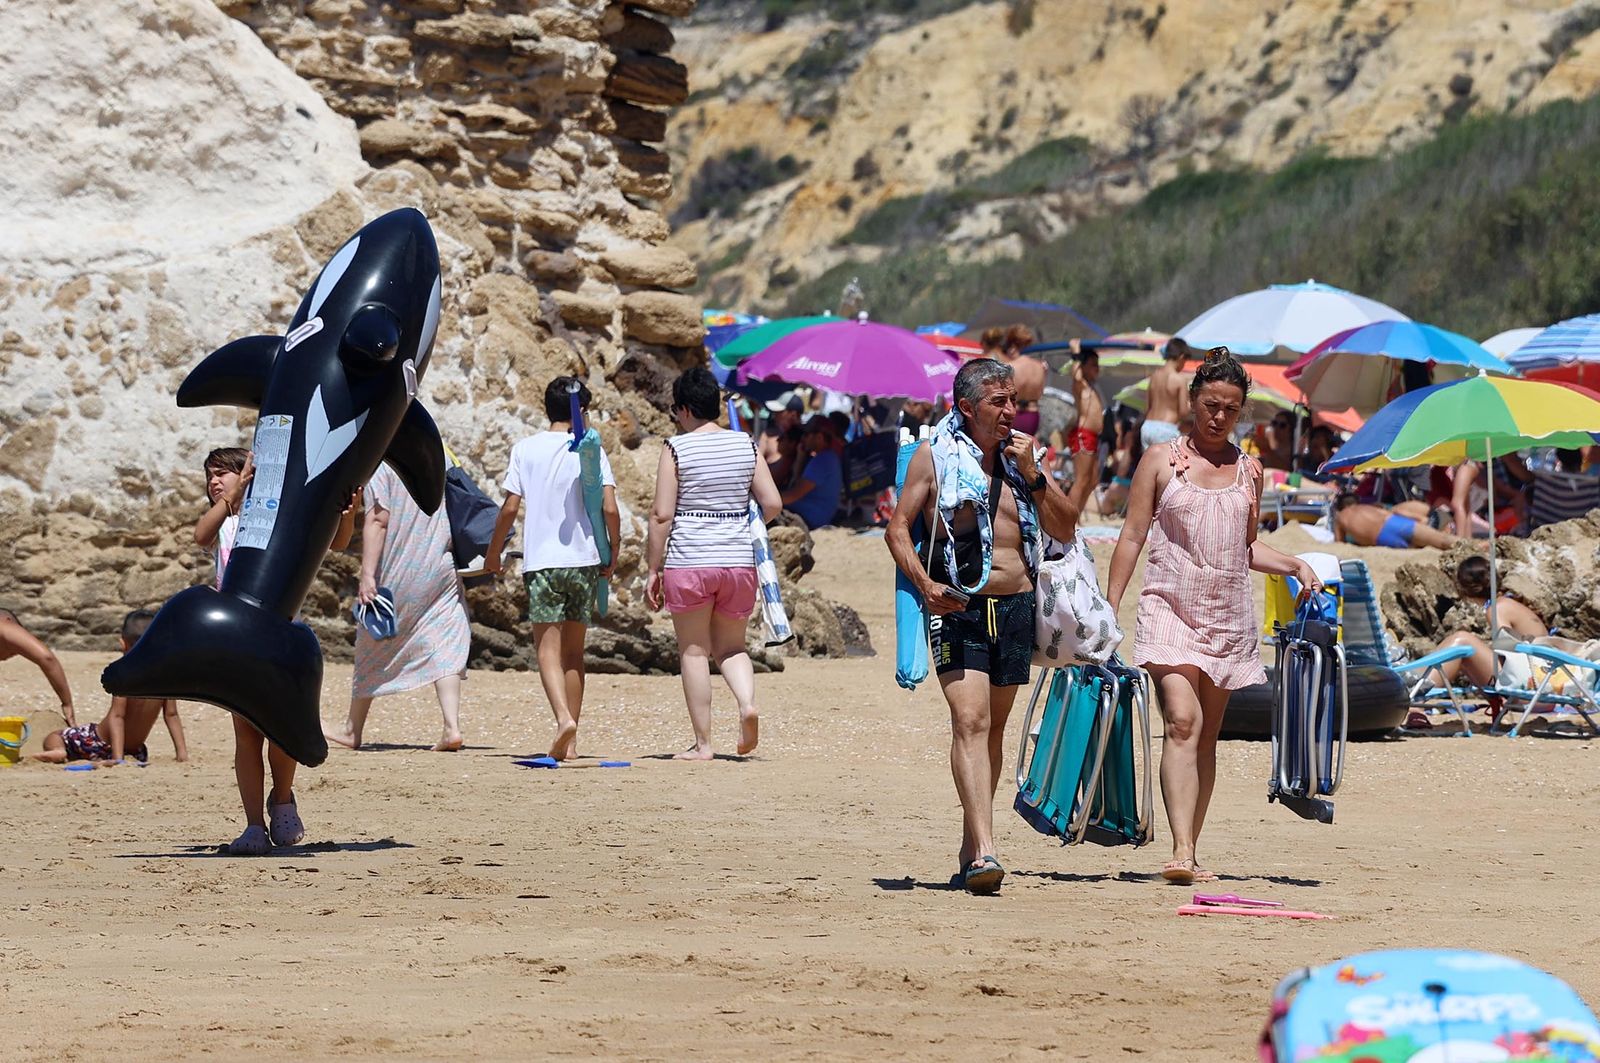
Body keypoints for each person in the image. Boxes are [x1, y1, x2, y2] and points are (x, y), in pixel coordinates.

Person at [1107, 348, 1325, 886]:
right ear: (1193, 400)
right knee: (1183, 722)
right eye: (1211, 404)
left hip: (1226, 614)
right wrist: (1107, 607)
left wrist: (1293, 563)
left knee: (1206, 738)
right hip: (1168, 608)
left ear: (1240, 411)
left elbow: (1244, 548)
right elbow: (1133, 535)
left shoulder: (1250, 471)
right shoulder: (1160, 461)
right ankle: (1179, 851)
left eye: (1230, 408)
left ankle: (1192, 846)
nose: (1219, 416)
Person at [886, 358, 1082, 895]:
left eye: (1013, 400)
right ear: (967, 407)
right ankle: (988, 853)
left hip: (1017, 608)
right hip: (959, 607)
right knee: (969, 722)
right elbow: (898, 529)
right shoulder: (935, 456)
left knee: (993, 731)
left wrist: (1035, 476)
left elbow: (1066, 527)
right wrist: (926, 587)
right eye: (999, 402)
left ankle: (972, 843)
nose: (1011, 411)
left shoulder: (1025, 459)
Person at [195, 445, 357, 855]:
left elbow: (337, 543)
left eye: (223, 473)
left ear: (247, 473)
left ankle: (282, 798)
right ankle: (252, 824)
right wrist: (233, 495)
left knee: (281, 731)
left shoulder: (279, 516)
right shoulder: (228, 523)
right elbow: (200, 536)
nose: (214, 481)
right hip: (235, 642)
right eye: (210, 475)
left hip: (281, 637)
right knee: (246, 734)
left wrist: (348, 512)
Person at [645, 366, 782, 760]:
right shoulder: (745, 444)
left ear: (685, 409)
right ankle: (746, 703)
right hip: (738, 561)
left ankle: (704, 744)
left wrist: (653, 569)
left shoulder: (676, 448)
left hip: (690, 559)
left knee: (693, 651)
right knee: (732, 646)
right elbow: (772, 503)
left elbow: (661, 515)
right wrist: (746, 522)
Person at [484, 377, 621, 762]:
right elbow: (609, 509)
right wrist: (613, 550)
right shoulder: (591, 449)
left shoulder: (525, 449)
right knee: (574, 654)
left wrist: (494, 554)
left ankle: (563, 720)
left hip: (543, 563)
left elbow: (509, 509)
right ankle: (572, 743)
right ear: (584, 412)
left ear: (548, 409)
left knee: (548, 650)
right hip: (584, 562)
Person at [325, 458, 472, 754]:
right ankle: (451, 726)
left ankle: (352, 729)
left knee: (373, 639)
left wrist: (367, 574)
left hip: (400, 565)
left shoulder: (383, 463)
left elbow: (379, 519)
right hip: (440, 561)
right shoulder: (439, 453)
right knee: (444, 637)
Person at [31, 610, 187, 766]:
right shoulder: (166, 677)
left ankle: (58, 749)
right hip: (134, 751)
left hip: (98, 742)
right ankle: (102, 758)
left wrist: (117, 758)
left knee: (55, 736)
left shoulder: (124, 673)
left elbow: (117, 716)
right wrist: (182, 754)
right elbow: (171, 715)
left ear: (123, 644)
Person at [1413, 556, 1552, 701]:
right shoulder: (1508, 603)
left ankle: (1413, 692)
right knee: (1466, 653)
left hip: (1532, 686)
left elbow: (1509, 654)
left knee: (1462, 641)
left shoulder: (1497, 609)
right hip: (1543, 681)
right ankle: (1415, 686)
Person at [0, 608, 75, 726]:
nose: (7, 657)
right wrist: (67, 704)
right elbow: (47, 658)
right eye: (12, 648)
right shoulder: (4, 624)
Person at [781, 415, 844, 529]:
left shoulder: (822, 460)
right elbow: (796, 482)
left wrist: (765, 500)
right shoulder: (826, 457)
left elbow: (792, 495)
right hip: (813, 515)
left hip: (809, 519)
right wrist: (800, 458)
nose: (803, 439)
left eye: (806, 435)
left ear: (819, 437)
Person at [1331, 493, 1459, 549]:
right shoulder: (1367, 507)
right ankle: (1472, 545)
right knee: (1441, 540)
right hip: (1394, 522)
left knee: (1419, 546)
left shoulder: (1340, 517)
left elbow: (1339, 544)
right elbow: (1389, 512)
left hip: (1381, 538)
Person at [1065, 347, 1104, 512]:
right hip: (1083, 434)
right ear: (1083, 366)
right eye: (1093, 364)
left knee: (1092, 481)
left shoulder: (1092, 387)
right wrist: (1075, 354)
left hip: (1092, 436)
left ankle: (1075, 516)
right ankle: (1067, 519)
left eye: (1097, 365)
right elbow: (1075, 374)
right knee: (1081, 480)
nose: (1097, 368)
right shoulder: (1081, 385)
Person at [1528, 449, 1600, 530]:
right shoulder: (1592, 483)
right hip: (1579, 530)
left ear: (1559, 459)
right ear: (1580, 459)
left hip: (1546, 527)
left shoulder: (1544, 478)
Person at [1142, 339, 1191, 448]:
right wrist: (1191, 404)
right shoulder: (1179, 379)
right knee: (1165, 464)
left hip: (1148, 426)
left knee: (1149, 463)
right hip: (1166, 428)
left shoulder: (1154, 376)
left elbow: (1147, 407)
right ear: (1181, 357)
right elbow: (1183, 412)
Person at [999, 325, 1045, 436]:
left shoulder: (1009, 366)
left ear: (1012, 345)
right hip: (1032, 413)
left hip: (1013, 412)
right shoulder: (1040, 367)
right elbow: (1040, 393)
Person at [759, 395, 804, 466]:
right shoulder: (768, 434)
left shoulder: (806, 439)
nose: (775, 415)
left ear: (793, 414)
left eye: (779, 412)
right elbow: (757, 462)